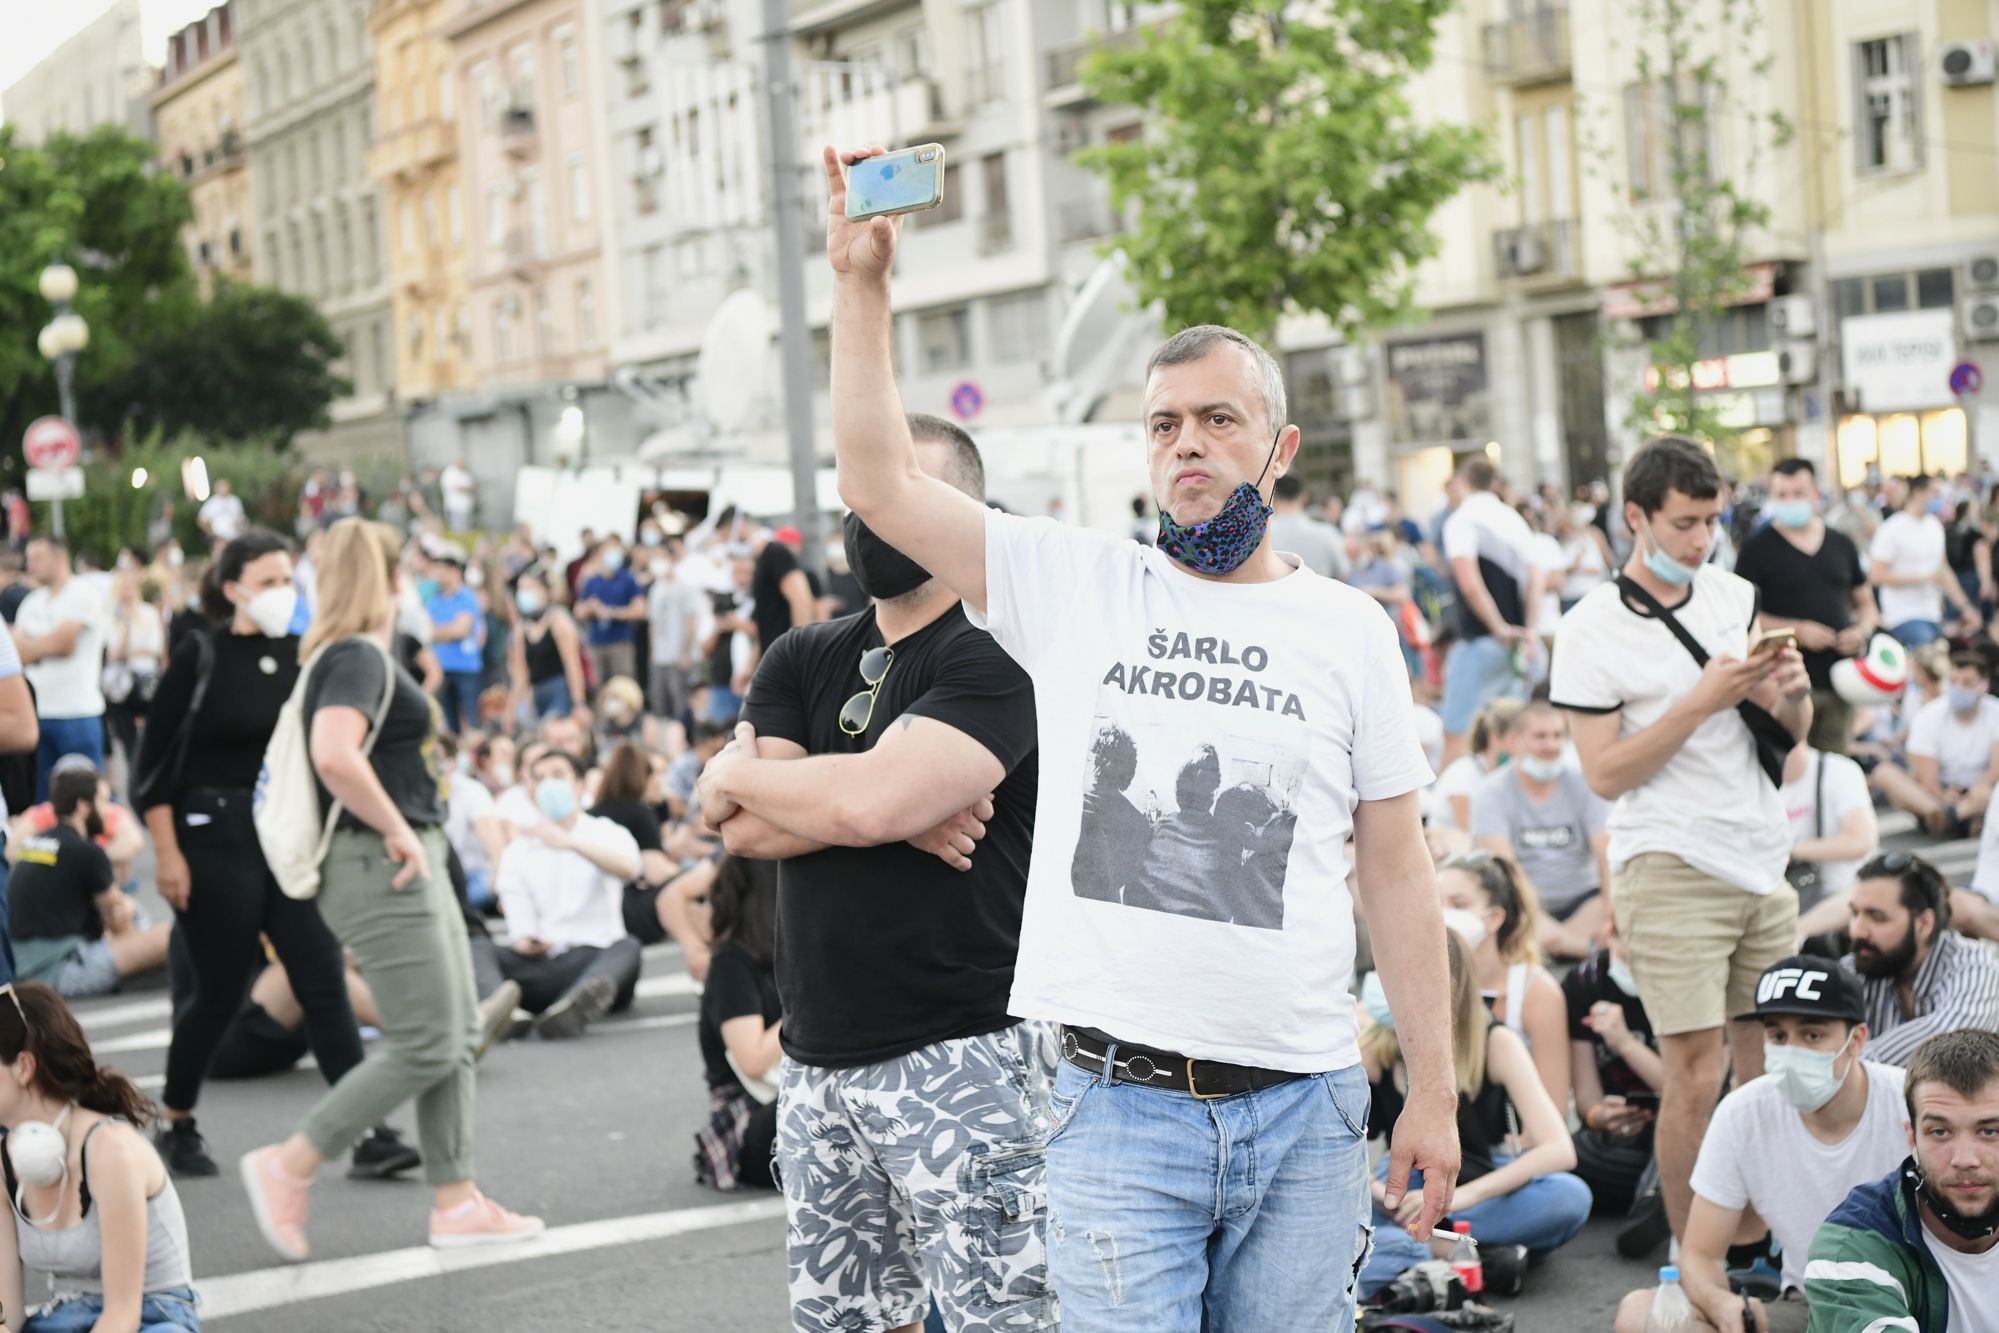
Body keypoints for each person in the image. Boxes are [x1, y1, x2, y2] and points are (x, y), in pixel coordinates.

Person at [820, 143, 1457, 1331]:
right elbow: (877, 481)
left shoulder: (1348, 628)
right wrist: (861, 285)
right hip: (1116, 1110)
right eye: (1164, 424)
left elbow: (1397, 868)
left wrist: (1432, 1086)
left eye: (1220, 419)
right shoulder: (1076, 584)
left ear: (1280, 448)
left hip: (1308, 1114)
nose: (1188, 445)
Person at [697, 414, 1054, 1332]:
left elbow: (854, 806)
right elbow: (741, 829)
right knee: (846, 1322)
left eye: (896, 494)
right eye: (859, 499)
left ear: (958, 512)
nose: (870, 520)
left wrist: (753, 774)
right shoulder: (801, 653)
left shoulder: (1001, 646)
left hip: (966, 1051)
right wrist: (888, 805)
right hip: (815, 1061)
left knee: (1002, 1319)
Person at [239, 519, 541, 1261]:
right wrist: (400, 830)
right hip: (381, 858)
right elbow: (334, 755)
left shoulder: (355, 654)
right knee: (432, 1037)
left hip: (398, 853)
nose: (409, 573)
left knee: (456, 1032)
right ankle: (292, 1161)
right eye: (397, 564)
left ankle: (456, 1198)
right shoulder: (355, 656)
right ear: (379, 576)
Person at [1552, 435, 1812, 1243]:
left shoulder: (1733, 594)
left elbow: (1786, 740)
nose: (1701, 540)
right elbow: (1604, 774)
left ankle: (1759, 1240)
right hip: (1665, 862)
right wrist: (1699, 700)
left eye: (1713, 520)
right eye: (1685, 522)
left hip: (1759, 854)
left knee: (1771, 1072)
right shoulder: (1589, 626)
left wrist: (1793, 698)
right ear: (1635, 517)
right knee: (1694, 1074)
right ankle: (1691, 1256)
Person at [135, 530, 415, 1180]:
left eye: (287, 578)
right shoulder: (200, 653)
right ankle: (177, 1122)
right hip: (212, 834)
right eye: (265, 581)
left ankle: (366, 1129)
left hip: (281, 833)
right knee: (219, 990)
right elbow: (152, 772)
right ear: (231, 588)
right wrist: (168, 852)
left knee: (321, 978)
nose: (280, 592)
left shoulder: (302, 654)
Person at [1613, 955, 1910, 1333]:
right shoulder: (1743, 1113)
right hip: (1812, 1304)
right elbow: (1700, 1256)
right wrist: (1723, 1305)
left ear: (1857, 1040)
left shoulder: (1911, 1101)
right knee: (1641, 1314)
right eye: (1778, 1036)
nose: (1792, 1051)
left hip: (1912, 1298)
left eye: (1812, 1035)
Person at [1356, 927, 1590, 1301]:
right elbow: (1335, 1146)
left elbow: (1560, 1149)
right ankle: (1470, 1256)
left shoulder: (1495, 1041)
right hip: (1403, 1190)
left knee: (1569, 1198)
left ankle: (1429, 1252)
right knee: (1339, 1209)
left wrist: (1457, 1199)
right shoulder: (1376, 1047)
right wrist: (1376, 1190)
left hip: (1475, 1185)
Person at [0, 983, 200, 1333]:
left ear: (23, 1067)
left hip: (152, 1317)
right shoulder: (3, 1164)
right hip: (63, 1318)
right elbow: (6, 1316)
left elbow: (122, 1316)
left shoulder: (110, 1148)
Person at [1805, 1029, 1999, 1331]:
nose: (1964, 1159)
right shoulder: (1852, 1245)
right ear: (1912, 1138)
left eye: (1989, 1131)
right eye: (1940, 1132)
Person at [476, 748, 642, 1039]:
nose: (548, 784)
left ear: (579, 786)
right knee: (477, 945)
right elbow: (519, 923)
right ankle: (500, 1011)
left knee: (628, 947)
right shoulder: (519, 850)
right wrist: (527, 943)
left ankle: (574, 1007)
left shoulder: (605, 832)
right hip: (544, 964)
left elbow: (628, 869)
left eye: (557, 775)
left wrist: (569, 843)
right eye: (539, 778)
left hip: (595, 957)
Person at [1735, 459, 1875, 754]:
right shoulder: (1756, 550)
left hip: (1840, 680)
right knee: (1792, 766)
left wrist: (1860, 631)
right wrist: (1797, 630)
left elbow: (1866, 604)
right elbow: (1742, 615)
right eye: (1782, 495)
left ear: (1815, 493)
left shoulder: (1841, 544)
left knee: (1835, 764)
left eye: (1798, 493)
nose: (1791, 501)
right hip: (1784, 684)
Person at [8, 767, 170, 998]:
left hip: (24, 968)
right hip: (59, 971)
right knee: (169, 936)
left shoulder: (37, 841)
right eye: (103, 801)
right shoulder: (87, 852)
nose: (108, 811)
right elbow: (118, 921)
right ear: (83, 806)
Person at [1471, 696, 1612, 959]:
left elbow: (1606, 853)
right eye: (1540, 736)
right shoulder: (1491, 792)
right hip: (1526, 906)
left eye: (1558, 736)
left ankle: (1556, 946)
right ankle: (1580, 948)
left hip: (1583, 902)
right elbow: (1505, 868)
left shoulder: (1584, 784)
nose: (1551, 745)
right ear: (1514, 741)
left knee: (1611, 901)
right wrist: (1537, 920)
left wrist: (1611, 912)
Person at [1436, 850, 1571, 1110]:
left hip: (1511, 1144)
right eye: (1436, 902)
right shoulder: (1423, 983)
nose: (1444, 915)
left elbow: (1556, 1107)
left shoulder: (1537, 992)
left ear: (1495, 918)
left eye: (1459, 904)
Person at [1844, 853, 1999, 1067]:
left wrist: (1845, 1065)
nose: (1858, 931)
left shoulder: (1975, 967)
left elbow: (1946, 1042)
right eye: (1855, 914)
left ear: (1924, 924)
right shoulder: (1860, 964)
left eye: (1877, 918)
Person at [1440, 457, 1540, 767]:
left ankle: (1452, 811)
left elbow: (1468, 581)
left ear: (1463, 483)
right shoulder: (1513, 519)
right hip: (1519, 646)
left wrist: (1499, 628)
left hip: (1481, 640)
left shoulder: (1463, 519)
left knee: (1457, 734)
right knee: (1511, 734)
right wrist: (1530, 632)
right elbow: (1537, 579)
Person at [1564, 916, 1664, 1227]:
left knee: (1690, 1145)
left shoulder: (1689, 982)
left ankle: (1660, 1191)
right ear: (1610, 934)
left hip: (1684, 1122)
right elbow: (1586, 1099)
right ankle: (1657, 1197)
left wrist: (1624, 1043)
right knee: (1572, 1158)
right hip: (1624, 1143)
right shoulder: (1586, 983)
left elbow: (1692, 1089)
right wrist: (1600, 1116)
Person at [693, 853, 782, 1192]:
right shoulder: (732, 963)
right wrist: (807, 1005)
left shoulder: (786, 955)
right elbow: (753, 1059)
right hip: (748, 1119)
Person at [14, 537, 108, 800]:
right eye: (29, 558)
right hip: (38, 715)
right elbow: (15, 652)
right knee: (43, 802)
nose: (30, 565)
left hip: (77, 713)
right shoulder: (31, 602)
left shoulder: (83, 593)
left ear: (60, 557)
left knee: (86, 800)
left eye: (38, 558)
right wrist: (43, 645)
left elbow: (63, 644)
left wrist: (32, 644)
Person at [1886, 651, 1999, 837]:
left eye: (1967, 683)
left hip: (1983, 791)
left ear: (1984, 686)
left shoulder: (1995, 712)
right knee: (1886, 774)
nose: (1959, 688)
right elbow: (1927, 777)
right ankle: (1948, 817)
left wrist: (1983, 785)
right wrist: (1944, 796)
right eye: (1954, 682)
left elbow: (1994, 769)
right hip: (1939, 793)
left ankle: (1957, 817)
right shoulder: (1928, 716)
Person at [1781, 742, 1879, 948]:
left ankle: (1793, 934)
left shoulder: (1838, 770)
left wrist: (1793, 852)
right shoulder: (1749, 780)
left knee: (1868, 893)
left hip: (1839, 897)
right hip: (1780, 897)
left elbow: (1861, 841)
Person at [1871, 473, 1980, 648]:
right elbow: (1876, 576)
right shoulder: (1891, 529)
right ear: (1918, 493)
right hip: (1903, 615)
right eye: (1934, 493)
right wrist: (1925, 578)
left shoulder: (1934, 526)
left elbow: (1944, 571)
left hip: (1932, 613)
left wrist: (1966, 608)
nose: (1939, 499)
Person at [103, 575, 165, 784]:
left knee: (153, 731)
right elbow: (114, 653)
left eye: (130, 588)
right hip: (120, 687)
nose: (127, 594)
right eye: (123, 589)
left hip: (146, 682)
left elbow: (155, 648)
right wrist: (127, 626)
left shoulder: (148, 613)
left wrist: (129, 652)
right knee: (127, 737)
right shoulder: (111, 617)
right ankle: (135, 778)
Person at [1432, 697, 1521, 832]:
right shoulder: (1464, 774)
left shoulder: (1511, 776)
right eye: (1518, 737)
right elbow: (1473, 835)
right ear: (1495, 736)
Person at [508, 569, 585, 723]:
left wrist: (579, 703)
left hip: (559, 688)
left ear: (544, 591)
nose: (523, 593)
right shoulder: (521, 629)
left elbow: (572, 664)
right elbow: (521, 674)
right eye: (521, 589)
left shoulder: (558, 620)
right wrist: (511, 709)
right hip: (537, 691)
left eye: (530, 587)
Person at [425, 548, 484, 735]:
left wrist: (440, 632)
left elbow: (461, 630)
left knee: (471, 720)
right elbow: (426, 631)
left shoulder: (467, 597)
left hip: (466, 668)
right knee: (450, 724)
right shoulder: (434, 600)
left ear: (455, 571)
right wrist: (447, 631)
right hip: (442, 667)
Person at [647, 546, 703, 727]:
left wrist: (686, 652)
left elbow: (691, 621)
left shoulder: (685, 587)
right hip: (660, 657)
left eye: (661, 557)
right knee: (660, 704)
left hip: (679, 657)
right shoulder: (655, 589)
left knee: (682, 704)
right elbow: (653, 623)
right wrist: (653, 651)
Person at [576, 539, 644, 688]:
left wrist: (612, 613)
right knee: (596, 688)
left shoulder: (628, 579)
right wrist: (590, 607)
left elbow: (639, 610)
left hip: (620, 643)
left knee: (623, 686)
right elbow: (578, 611)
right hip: (596, 643)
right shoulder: (593, 581)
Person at [747, 525, 820, 659]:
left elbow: (807, 604)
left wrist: (800, 651)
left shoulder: (805, 572)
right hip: (774, 652)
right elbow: (763, 623)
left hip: (787, 652)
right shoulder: (766, 569)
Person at [1268, 473, 1347, 579]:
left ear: (1273, 496)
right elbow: (1343, 574)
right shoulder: (1327, 533)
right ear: (1304, 496)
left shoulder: (1262, 536)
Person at [197, 477, 247, 547]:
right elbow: (201, 520)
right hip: (219, 538)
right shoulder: (212, 503)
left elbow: (239, 518)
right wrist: (212, 533)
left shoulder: (234, 501)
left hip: (234, 536)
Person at [440, 459, 476, 533]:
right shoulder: (450, 473)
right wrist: (467, 487)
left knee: (466, 528)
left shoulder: (464, 473)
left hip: (465, 506)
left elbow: (473, 486)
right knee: (457, 529)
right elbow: (456, 487)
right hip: (455, 506)